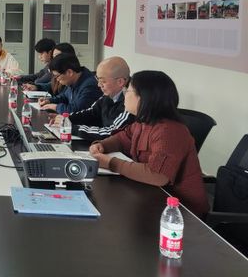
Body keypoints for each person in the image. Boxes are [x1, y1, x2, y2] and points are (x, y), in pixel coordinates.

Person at [89, 71, 209, 217]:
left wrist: (111, 163)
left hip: (181, 213)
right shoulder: (144, 122)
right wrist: (102, 145)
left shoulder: (169, 130)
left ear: (144, 97)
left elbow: (158, 175)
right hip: (151, 198)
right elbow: (123, 138)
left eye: (129, 91)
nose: (125, 94)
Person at [49, 56, 134, 142]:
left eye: (103, 81)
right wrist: (67, 119)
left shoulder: (131, 103)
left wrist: (71, 128)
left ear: (120, 82)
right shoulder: (108, 95)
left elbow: (111, 132)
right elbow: (91, 112)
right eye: (98, 80)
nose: (99, 85)